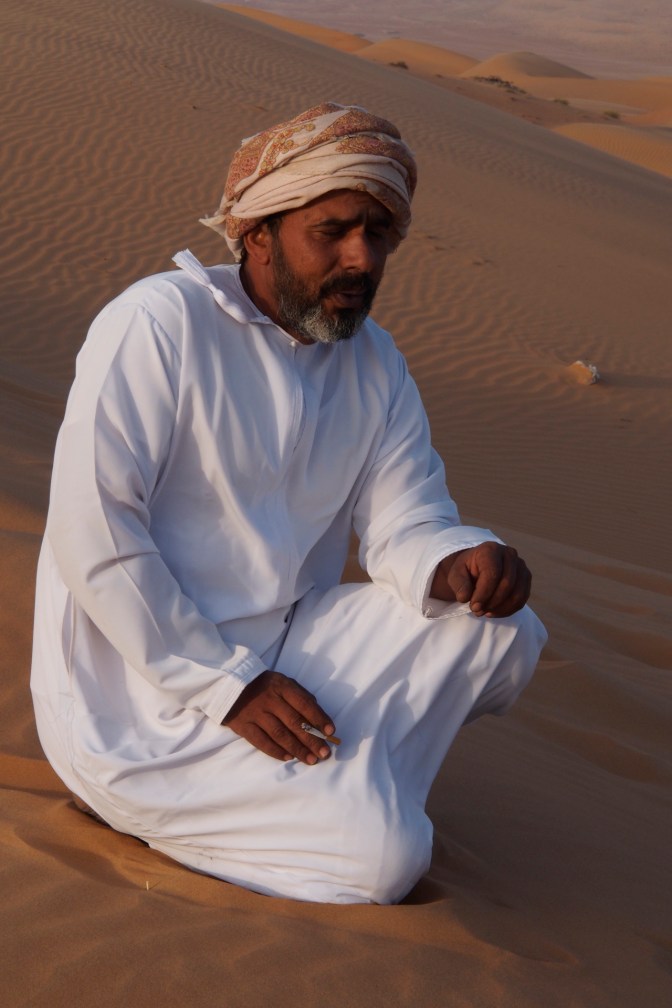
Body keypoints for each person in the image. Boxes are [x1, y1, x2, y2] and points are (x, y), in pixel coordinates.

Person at [31, 103, 547, 904]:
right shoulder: (158, 326)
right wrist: (226, 685)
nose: (361, 258)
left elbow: (406, 522)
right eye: (333, 231)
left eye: (378, 235)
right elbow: (92, 531)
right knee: (386, 863)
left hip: (281, 657)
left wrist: (456, 562)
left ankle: (328, 787)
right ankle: (314, 805)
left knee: (500, 630)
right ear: (258, 232)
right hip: (136, 701)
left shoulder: (373, 365)